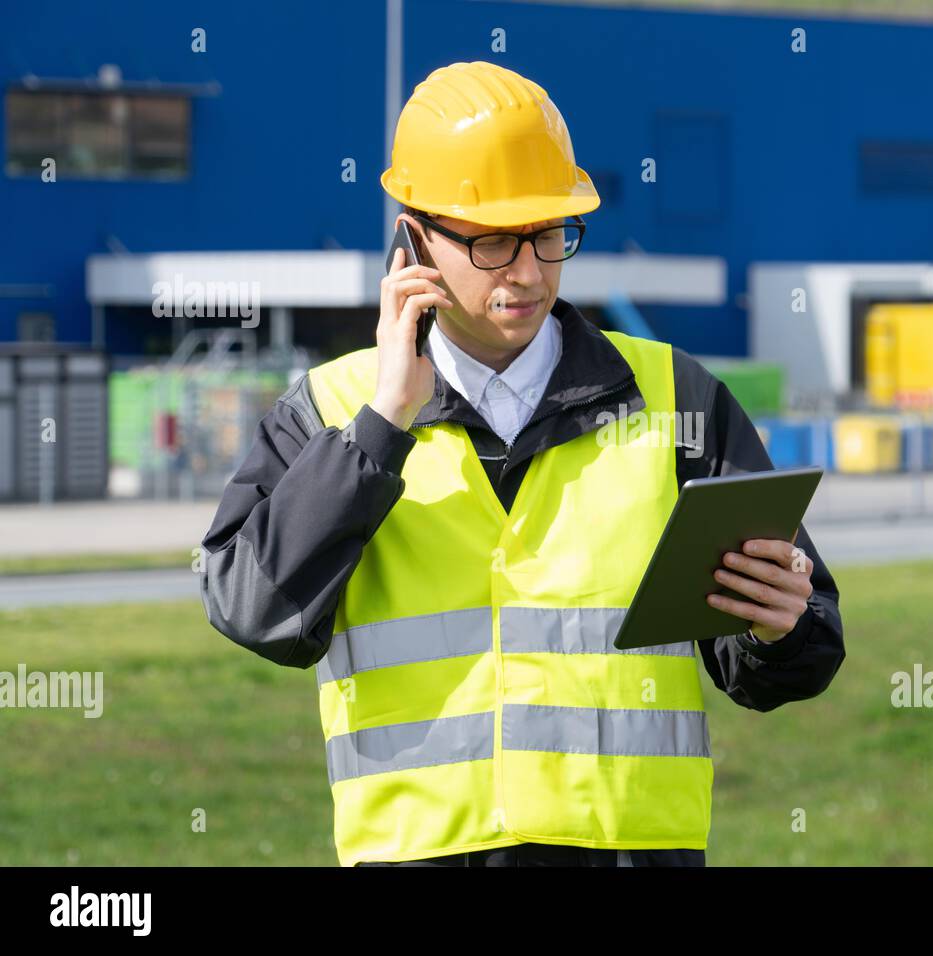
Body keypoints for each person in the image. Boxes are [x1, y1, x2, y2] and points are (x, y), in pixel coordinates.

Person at [199, 60, 844, 867]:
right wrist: (381, 426)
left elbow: (792, 652)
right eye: (495, 241)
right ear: (415, 238)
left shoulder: (677, 398)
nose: (530, 272)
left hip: (630, 854)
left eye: (549, 234)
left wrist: (778, 629)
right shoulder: (333, 411)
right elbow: (253, 611)